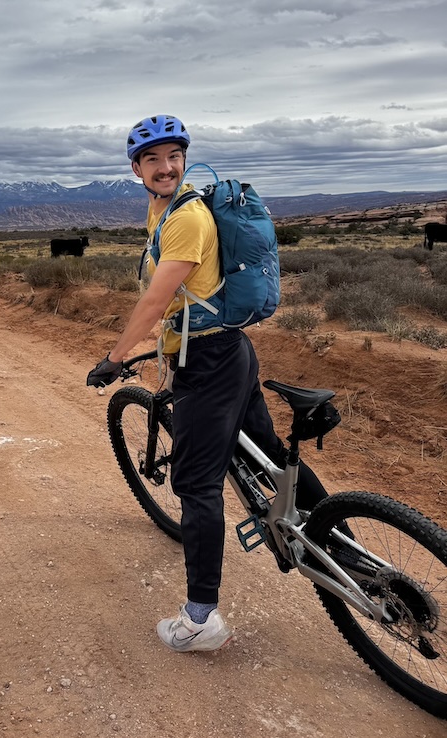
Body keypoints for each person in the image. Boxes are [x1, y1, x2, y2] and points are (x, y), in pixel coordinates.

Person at [86, 114, 328, 652]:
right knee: (265, 450)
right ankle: (335, 536)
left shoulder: (186, 219)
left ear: (185, 159)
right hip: (227, 349)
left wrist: (114, 358)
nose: (166, 166)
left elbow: (155, 300)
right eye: (153, 159)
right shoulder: (164, 207)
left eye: (174, 157)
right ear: (137, 169)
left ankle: (200, 620)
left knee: (196, 485)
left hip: (209, 361)